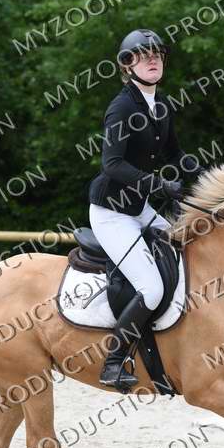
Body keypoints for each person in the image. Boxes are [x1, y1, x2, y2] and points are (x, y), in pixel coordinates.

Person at [87, 29, 205, 389]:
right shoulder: (121, 107)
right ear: (128, 64)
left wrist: (209, 178)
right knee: (151, 289)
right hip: (111, 213)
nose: (153, 60)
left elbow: (174, 154)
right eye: (143, 55)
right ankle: (113, 362)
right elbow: (112, 164)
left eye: (157, 54)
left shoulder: (161, 104)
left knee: (188, 254)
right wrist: (159, 186)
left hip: (138, 208)